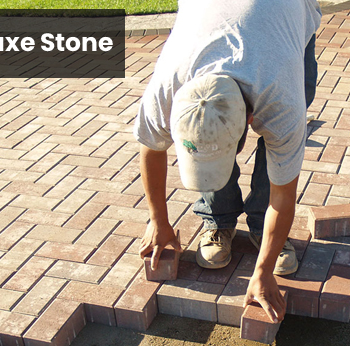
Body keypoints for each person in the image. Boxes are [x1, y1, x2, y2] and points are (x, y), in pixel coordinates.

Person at [133, 0, 321, 323]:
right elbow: (150, 146)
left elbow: (283, 194)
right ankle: (217, 219)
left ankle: (264, 228)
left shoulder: (282, 100)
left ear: (250, 119)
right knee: (213, 138)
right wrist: (157, 220)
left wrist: (263, 271)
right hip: (209, 17)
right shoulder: (168, 86)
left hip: (285, 13)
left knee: (278, 144)